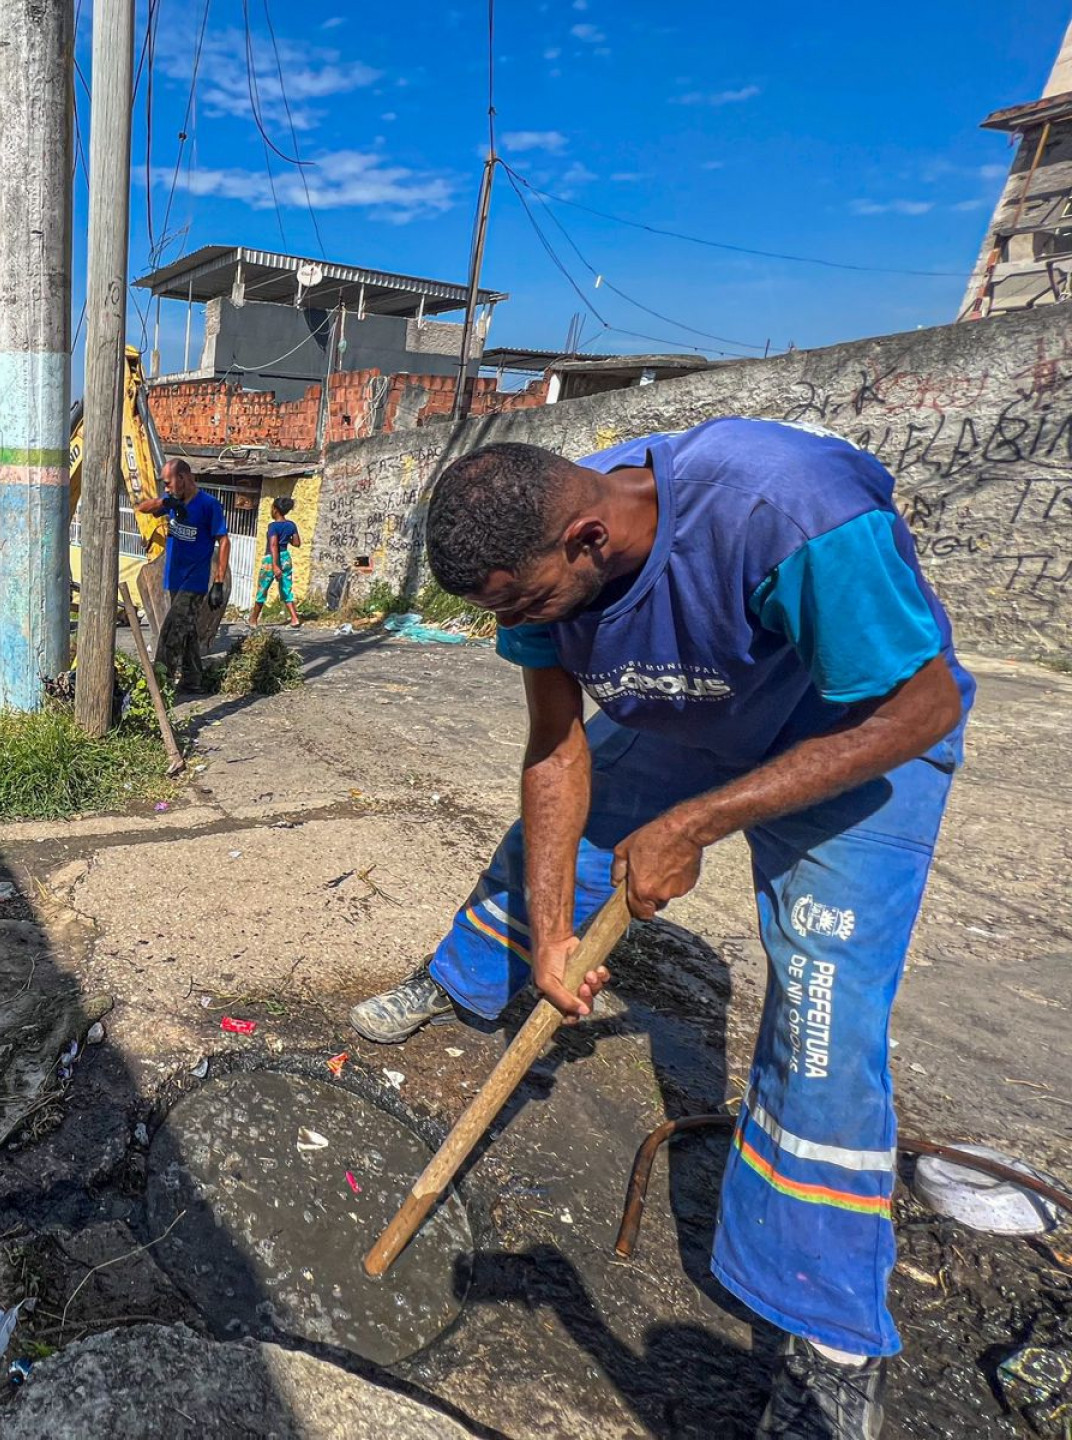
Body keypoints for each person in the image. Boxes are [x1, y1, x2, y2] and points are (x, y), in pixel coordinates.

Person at [347, 421, 972, 1439]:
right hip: (692, 718)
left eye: (526, 604)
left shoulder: (787, 508)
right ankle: (466, 977)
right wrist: (556, 936)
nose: (522, 626)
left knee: (825, 1013)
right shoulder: (542, 548)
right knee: (549, 850)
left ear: (587, 540)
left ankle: (832, 1345)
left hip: (854, 735)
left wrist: (701, 821)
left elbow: (924, 704)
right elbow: (555, 751)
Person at [137, 458, 230, 694]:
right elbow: (142, 507)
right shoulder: (172, 502)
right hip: (174, 578)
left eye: (168, 483)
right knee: (187, 630)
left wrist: (218, 581)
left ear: (183, 478)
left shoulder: (209, 505)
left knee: (171, 630)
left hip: (195, 580)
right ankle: (193, 679)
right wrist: (166, 501)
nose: (166, 488)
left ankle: (158, 686)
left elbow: (224, 540)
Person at [248, 495, 303, 628]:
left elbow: (273, 545)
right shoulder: (291, 525)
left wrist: (275, 565)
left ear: (275, 510)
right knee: (286, 589)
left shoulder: (273, 526)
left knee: (262, 589)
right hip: (286, 558)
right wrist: (286, 539)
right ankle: (295, 619)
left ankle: (253, 620)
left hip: (271, 560)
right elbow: (297, 543)